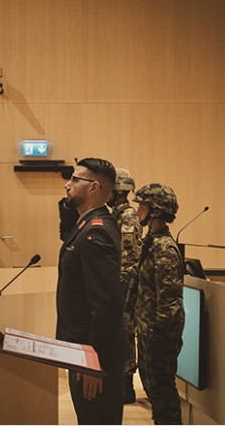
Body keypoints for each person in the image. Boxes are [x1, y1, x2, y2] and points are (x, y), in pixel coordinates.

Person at [56, 157, 127, 424]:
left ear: (94, 187)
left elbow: (107, 305)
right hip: (85, 351)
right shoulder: (85, 224)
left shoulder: (95, 233)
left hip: (94, 355)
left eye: (75, 179)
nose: (67, 185)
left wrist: (92, 362)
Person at [133, 183, 184, 425]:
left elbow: (169, 300)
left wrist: (158, 339)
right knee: (156, 392)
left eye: (142, 205)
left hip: (159, 335)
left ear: (155, 210)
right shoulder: (151, 241)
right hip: (148, 331)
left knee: (163, 393)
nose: (138, 210)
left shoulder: (164, 248)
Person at [107, 168, 143, 403]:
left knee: (125, 333)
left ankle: (125, 386)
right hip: (119, 285)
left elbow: (129, 258)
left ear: (118, 191)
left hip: (124, 287)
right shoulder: (118, 213)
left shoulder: (127, 216)